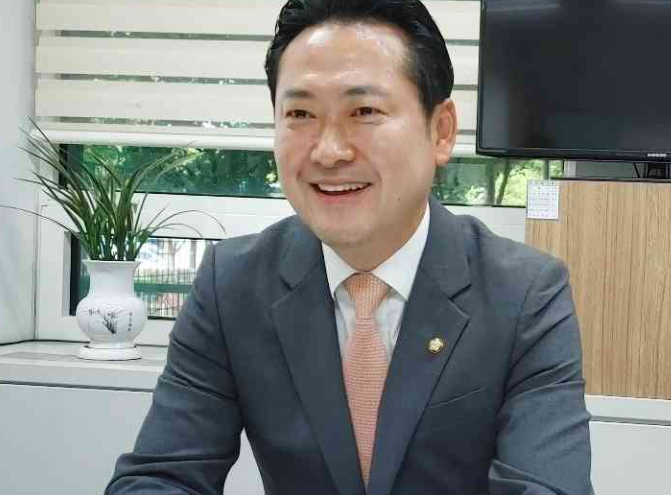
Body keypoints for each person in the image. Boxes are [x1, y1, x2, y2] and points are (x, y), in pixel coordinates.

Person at [105, 0, 593, 494]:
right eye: (300, 113)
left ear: (441, 131)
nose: (329, 151)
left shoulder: (525, 294)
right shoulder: (231, 285)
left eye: (364, 111)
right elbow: (159, 477)